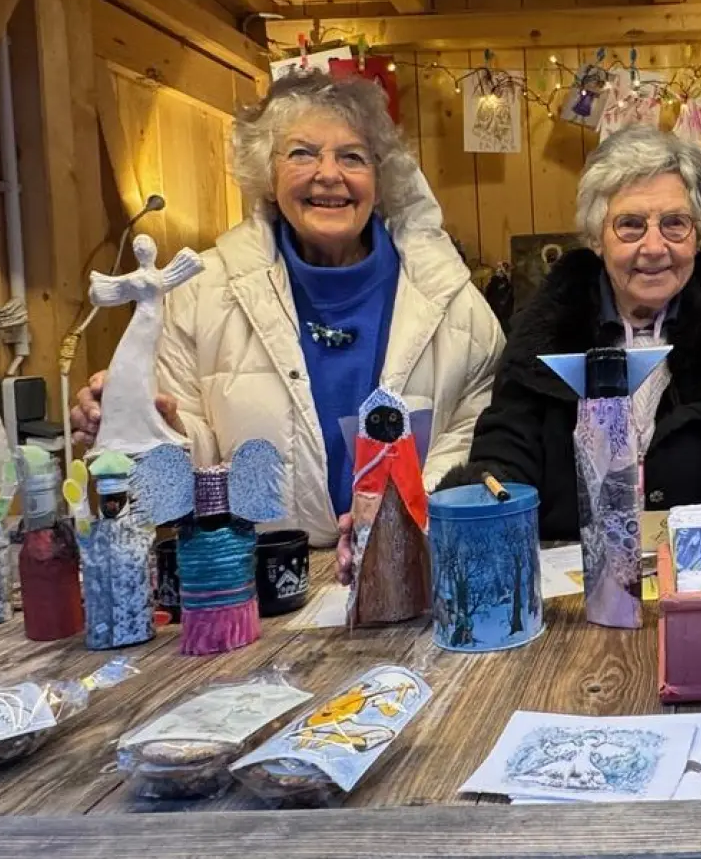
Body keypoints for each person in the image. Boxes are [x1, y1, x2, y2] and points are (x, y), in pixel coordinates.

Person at [70, 72, 504, 547]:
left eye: (352, 157)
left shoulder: (454, 302)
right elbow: (177, 475)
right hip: (258, 583)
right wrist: (151, 424)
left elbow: (477, 432)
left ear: (380, 182)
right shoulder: (200, 295)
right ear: (267, 176)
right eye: (302, 153)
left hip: (415, 563)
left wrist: (401, 519)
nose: (328, 174)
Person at [437, 127, 701, 540]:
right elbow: (503, 456)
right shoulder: (541, 337)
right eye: (630, 225)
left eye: (674, 224)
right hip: (569, 580)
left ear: (698, 235)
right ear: (597, 238)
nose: (653, 247)